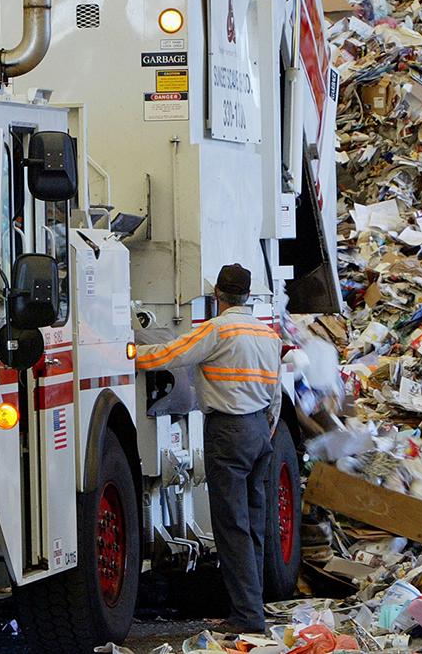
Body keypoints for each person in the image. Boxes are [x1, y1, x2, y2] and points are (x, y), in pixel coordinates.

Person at [134, 263, 281, 634]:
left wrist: (128, 353)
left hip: (228, 433)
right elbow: (276, 395)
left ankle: (247, 616)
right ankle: (255, 607)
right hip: (261, 432)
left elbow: (172, 354)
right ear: (247, 295)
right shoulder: (267, 334)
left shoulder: (218, 329)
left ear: (218, 296)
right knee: (254, 523)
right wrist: (264, 431)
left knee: (231, 527)